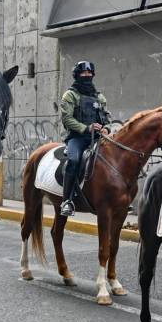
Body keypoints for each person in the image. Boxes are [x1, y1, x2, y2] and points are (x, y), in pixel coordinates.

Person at [58, 60, 111, 217]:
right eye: (83, 73)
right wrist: (86, 128)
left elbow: (107, 118)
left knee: (114, 158)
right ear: (77, 75)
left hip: (98, 138)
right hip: (77, 138)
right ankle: (67, 200)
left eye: (89, 73)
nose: (87, 75)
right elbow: (67, 119)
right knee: (73, 161)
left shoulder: (100, 97)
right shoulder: (70, 95)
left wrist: (106, 128)